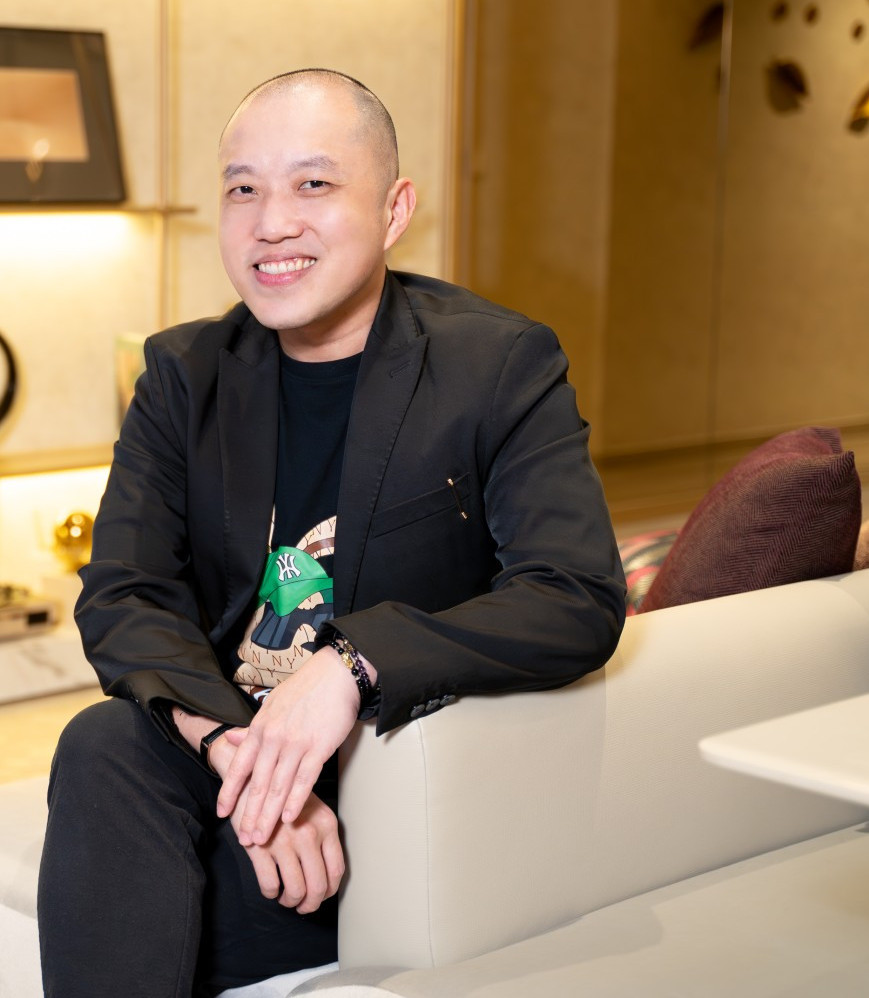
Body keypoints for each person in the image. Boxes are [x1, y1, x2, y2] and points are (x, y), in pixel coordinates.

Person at [37, 68, 626, 998]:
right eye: (243, 189)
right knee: (104, 742)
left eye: (313, 183)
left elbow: (574, 595)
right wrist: (244, 758)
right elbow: (124, 592)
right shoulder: (183, 373)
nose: (271, 223)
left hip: (390, 778)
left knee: (131, 908)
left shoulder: (498, 365)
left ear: (394, 210)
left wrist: (348, 666)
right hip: (235, 761)